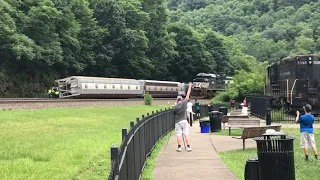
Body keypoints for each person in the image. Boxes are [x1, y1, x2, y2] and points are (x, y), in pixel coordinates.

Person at [173, 82, 193, 152]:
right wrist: (190, 86)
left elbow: (174, 113)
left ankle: (179, 147)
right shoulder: (184, 103)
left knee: (179, 134)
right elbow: (187, 95)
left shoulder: (175, 107)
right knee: (186, 134)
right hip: (184, 121)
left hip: (178, 122)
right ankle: (188, 147)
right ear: (181, 99)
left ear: (176, 100)